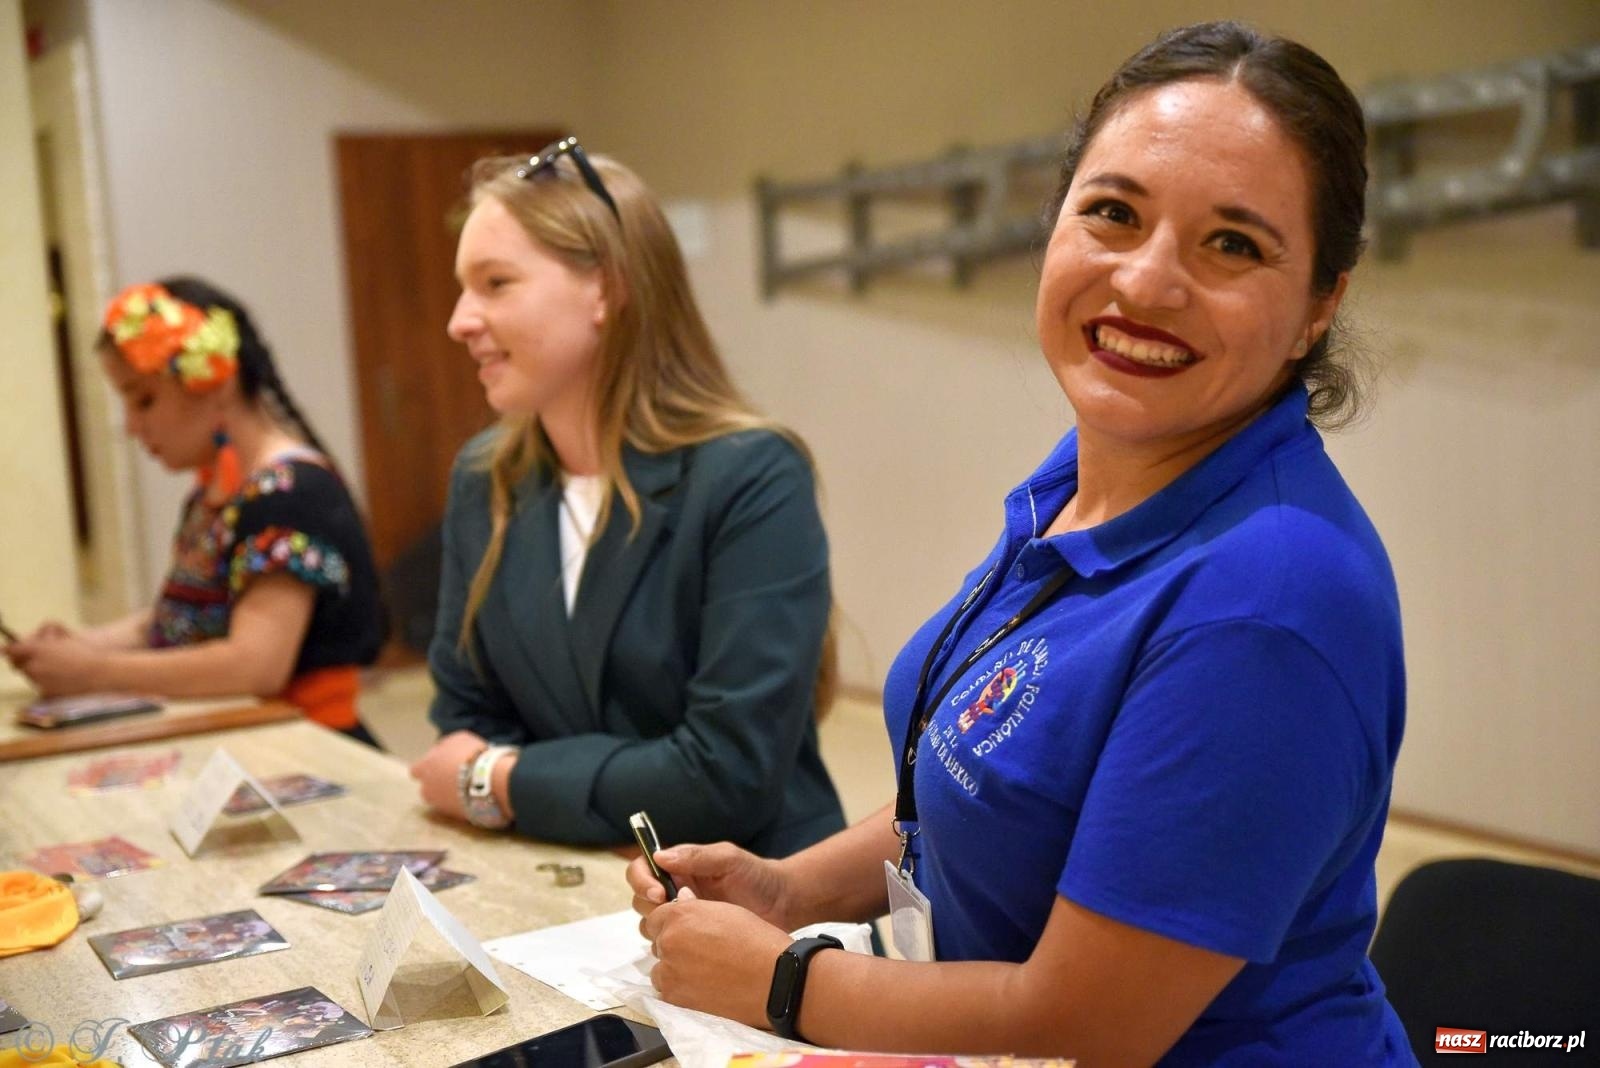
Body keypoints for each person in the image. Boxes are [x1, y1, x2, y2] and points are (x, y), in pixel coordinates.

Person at [630, 22, 1415, 1066]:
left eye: (1233, 243)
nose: (1143, 283)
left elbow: (1093, 1020)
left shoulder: (1265, 604)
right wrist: (791, 888)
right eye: (1112, 214)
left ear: (1321, 302)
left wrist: (783, 980)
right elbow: (985, 776)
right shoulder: (1084, 483)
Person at [407, 138, 846, 857]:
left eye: (494, 283)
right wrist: (534, 778)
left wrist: (504, 783)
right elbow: (463, 719)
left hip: (750, 908)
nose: (459, 320)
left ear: (606, 287)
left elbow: (726, 774)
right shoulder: (484, 478)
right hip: (554, 886)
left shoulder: (752, 476)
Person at [3, 277, 384, 746]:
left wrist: (95, 671)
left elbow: (256, 664)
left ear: (216, 381)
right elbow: (175, 620)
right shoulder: (217, 492)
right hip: (249, 741)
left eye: (144, 399)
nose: (133, 426)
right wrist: (78, 648)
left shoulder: (292, 494)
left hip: (310, 747)